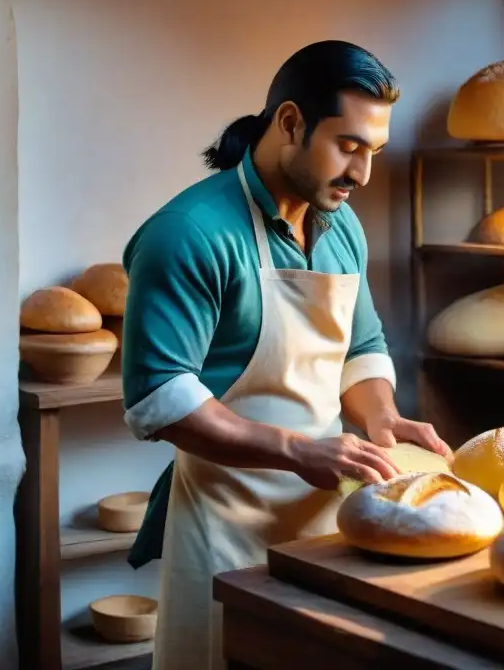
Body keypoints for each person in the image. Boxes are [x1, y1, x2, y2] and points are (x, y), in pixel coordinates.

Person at [119, 39, 453, 670]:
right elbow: (159, 399)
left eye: (372, 152)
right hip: (224, 521)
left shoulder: (341, 225)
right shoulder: (188, 234)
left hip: (327, 511)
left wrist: (381, 417)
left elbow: (361, 347)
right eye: (349, 146)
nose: (362, 175)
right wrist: (298, 450)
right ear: (291, 122)